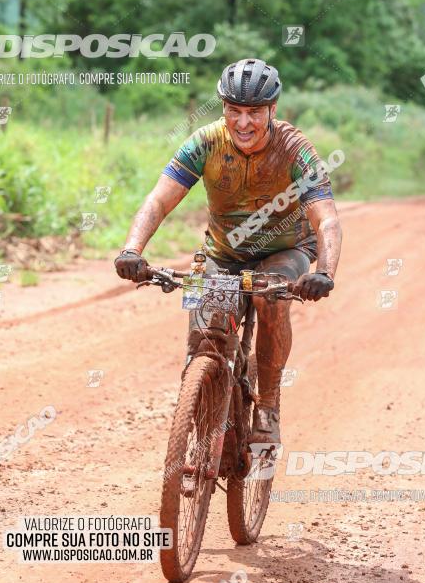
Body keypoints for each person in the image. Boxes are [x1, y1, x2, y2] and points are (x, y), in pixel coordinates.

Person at [115, 58, 342, 446]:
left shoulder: (295, 150)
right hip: (223, 251)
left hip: (284, 250)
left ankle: (268, 404)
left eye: (254, 112)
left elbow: (327, 221)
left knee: (269, 304)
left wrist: (324, 271)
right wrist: (132, 249)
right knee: (205, 330)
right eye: (234, 110)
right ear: (223, 109)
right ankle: (200, 400)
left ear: (272, 110)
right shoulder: (205, 142)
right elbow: (158, 200)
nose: (243, 122)